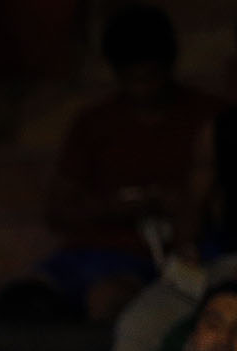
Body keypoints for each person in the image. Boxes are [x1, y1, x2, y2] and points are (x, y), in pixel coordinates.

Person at [42, 3, 222, 323]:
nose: (144, 89)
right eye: (133, 79)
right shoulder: (95, 125)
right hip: (109, 256)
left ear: (168, 66)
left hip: (194, 254)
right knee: (88, 296)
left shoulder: (208, 118)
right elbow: (59, 208)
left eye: (151, 77)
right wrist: (119, 206)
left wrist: (188, 207)